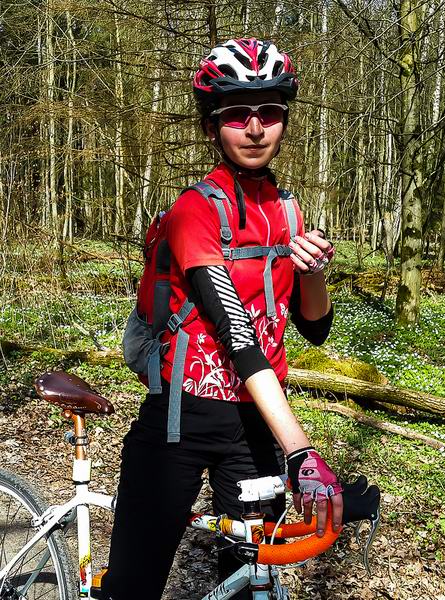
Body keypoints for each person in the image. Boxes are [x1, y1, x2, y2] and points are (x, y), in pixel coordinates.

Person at [101, 37, 342, 600]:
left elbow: (314, 328)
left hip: (256, 425)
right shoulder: (194, 210)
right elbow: (237, 333)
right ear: (212, 127)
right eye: (237, 114)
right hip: (180, 420)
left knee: (249, 584)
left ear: (284, 121)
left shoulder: (287, 210)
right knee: (134, 586)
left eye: (269, 112)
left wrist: (311, 271)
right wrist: (302, 451)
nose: (255, 128)